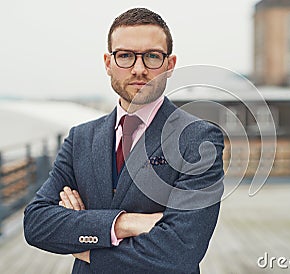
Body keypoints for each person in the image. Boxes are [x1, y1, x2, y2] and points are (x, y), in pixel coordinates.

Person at [23, 7, 224, 274]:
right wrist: (123, 224)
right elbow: (36, 223)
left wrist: (81, 242)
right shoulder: (80, 139)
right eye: (125, 56)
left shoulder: (197, 139)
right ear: (108, 63)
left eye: (152, 56)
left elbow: (181, 250)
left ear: (170, 65)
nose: (139, 69)